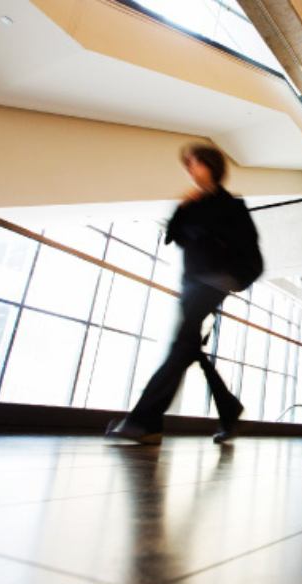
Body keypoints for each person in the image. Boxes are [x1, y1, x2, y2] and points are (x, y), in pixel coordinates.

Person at [106, 144, 263, 444]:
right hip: (192, 282)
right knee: (188, 347)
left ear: (210, 166)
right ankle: (229, 410)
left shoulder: (231, 205)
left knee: (181, 346)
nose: (190, 169)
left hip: (215, 281)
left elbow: (246, 248)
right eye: (188, 165)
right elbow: (172, 237)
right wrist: (182, 207)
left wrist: (231, 276)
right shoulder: (192, 203)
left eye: (194, 164)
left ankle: (144, 422)